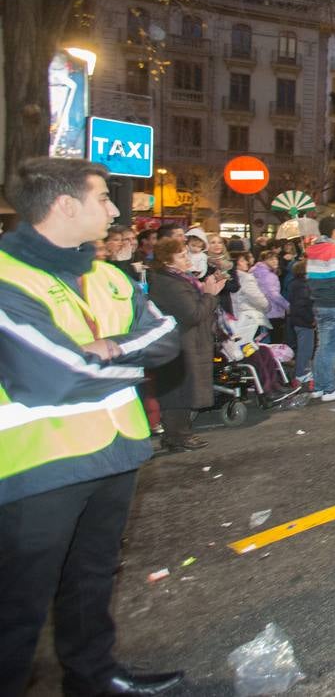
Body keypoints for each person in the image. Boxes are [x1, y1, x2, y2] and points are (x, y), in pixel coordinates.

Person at [0, 157, 184, 696]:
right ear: (64, 205)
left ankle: (93, 676)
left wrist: (106, 350)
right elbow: (54, 377)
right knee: (19, 603)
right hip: (40, 465)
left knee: (92, 578)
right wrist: (125, 353)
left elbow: (167, 339)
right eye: (103, 198)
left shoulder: (108, 275)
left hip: (116, 452)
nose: (114, 209)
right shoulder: (8, 280)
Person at [147, 238, 228, 451]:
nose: (187, 258)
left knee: (183, 388)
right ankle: (178, 435)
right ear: (168, 261)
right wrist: (210, 295)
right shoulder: (169, 283)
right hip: (180, 342)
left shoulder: (179, 279)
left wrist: (210, 291)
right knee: (178, 391)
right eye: (181, 255)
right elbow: (192, 314)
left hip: (188, 341)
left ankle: (179, 434)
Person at [306, 216, 335, 401]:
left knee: (322, 348)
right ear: (334, 231)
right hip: (334, 306)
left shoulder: (314, 250)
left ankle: (319, 386)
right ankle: (329, 390)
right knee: (330, 350)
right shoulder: (333, 250)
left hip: (319, 304)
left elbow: (311, 280)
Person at [285, 259, 316, 391]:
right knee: (305, 350)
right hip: (304, 322)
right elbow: (302, 306)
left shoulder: (296, 284)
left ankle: (302, 375)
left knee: (305, 349)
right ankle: (301, 376)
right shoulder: (302, 286)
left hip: (299, 321)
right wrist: (311, 319)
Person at [253, 248, 289, 338]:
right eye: (271, 259)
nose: (275, 261)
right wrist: (287, 306)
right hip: (272, 311)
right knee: (275, 342)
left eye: (276, 258)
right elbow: (274, 294)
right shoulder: (269, 275)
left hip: (259, 311)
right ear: (263, 261)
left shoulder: (254, 271)